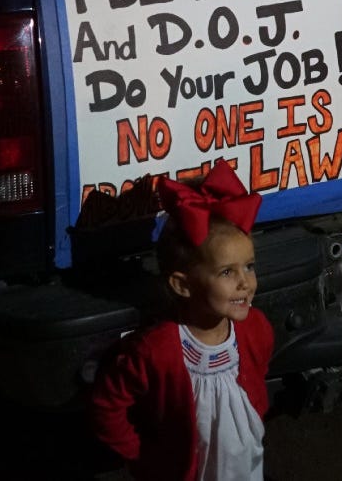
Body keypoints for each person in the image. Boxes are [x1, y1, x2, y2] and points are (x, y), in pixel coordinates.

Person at [90, 160, 274, 481]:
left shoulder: (256, 328)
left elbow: (259, 378)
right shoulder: (156, 349)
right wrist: (141, 457)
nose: (245, 282)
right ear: (182, 285)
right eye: (227, 272)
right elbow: (108, 403)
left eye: (249, 266)